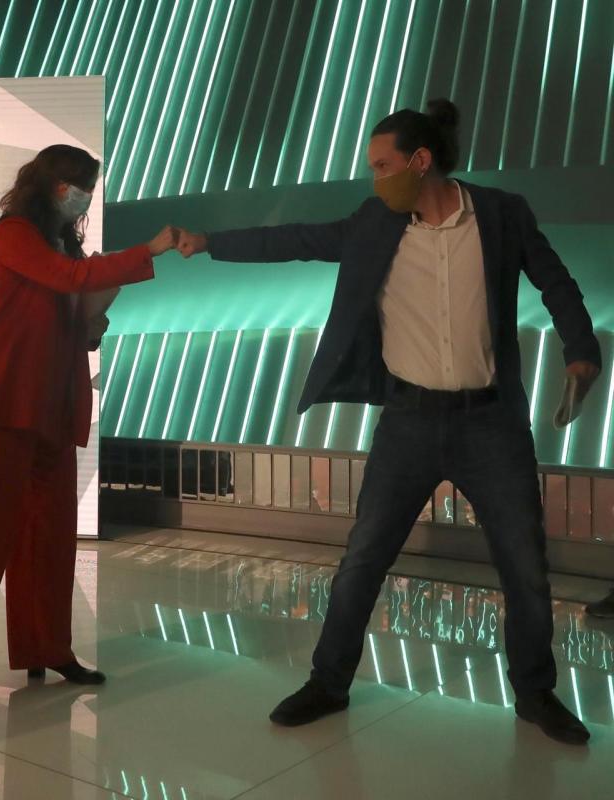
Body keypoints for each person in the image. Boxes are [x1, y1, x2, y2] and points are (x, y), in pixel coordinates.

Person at [175, 99, 601, 745]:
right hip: (409, 421)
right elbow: (294, 240)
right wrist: (210, 243)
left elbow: (557, 283)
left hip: (491, 422)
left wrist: (580, 352)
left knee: (525, 567)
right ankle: (328, 683)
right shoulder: (375, 222)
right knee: (364, 559)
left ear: (420, 161)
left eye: (382, 165)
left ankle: (536, 694)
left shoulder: (500, 214)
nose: (375, 178)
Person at [0, 145, 177, 706]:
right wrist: (148, 251)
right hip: (4, 403)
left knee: (49, 537)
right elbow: (67, 279)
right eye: (78, 186)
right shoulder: (14, 234)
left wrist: (89, 327)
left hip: (51, 403)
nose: (84, 197)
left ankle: (46, 647)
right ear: (51, 185)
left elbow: (69, 294)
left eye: (89, 187)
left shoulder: (59, 239)